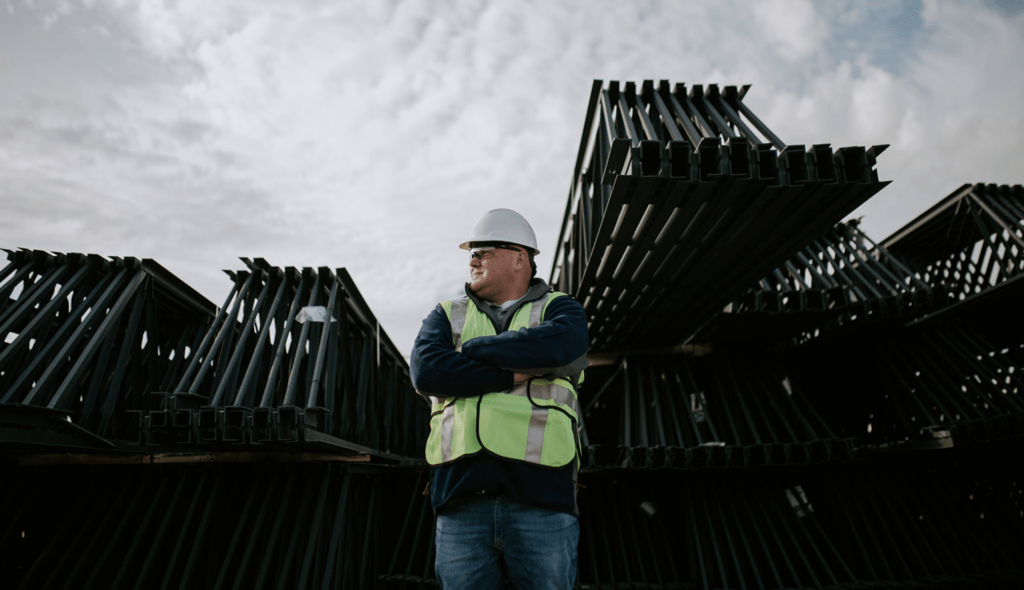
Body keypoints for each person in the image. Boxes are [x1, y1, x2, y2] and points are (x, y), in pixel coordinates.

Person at [411, 208, 589, 590]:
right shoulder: (446, 314)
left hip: (542, 500)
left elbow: (566, 345)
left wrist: (471, 352)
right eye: (471, 252)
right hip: (460, 500)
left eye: (484, 250)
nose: (472, 259)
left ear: (519, 258)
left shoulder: (559, 308)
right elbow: (428, 371)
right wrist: (513, 372)